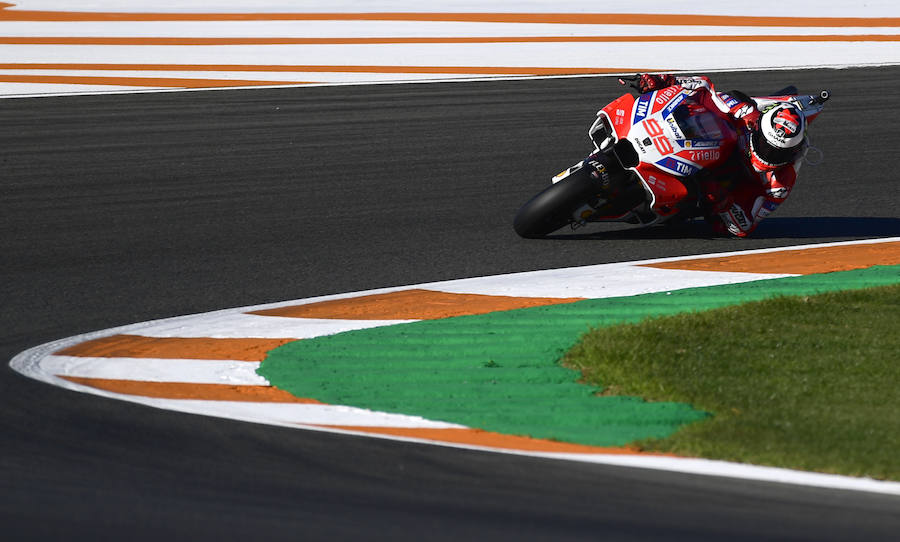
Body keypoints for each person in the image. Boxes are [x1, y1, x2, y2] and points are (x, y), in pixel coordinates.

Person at [621, 73, 808, 237]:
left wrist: (723, 200)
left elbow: (745, 226)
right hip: (699, 146)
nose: (769, 154)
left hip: (717, 186)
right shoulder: (746, 112)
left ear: (792, 152)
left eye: (777, 152)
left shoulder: (780, 184)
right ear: (757, 128)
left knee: (714, 224)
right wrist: (664, 81)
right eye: (766, 146)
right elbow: (703, 87)